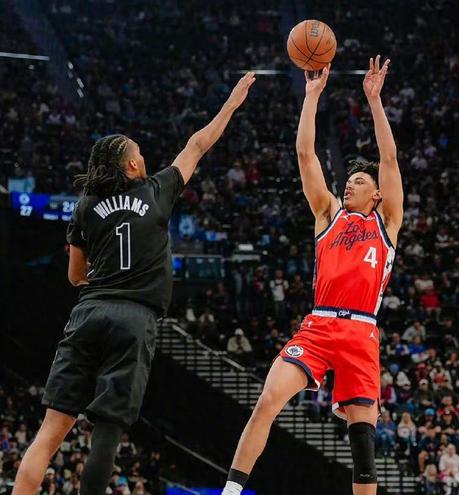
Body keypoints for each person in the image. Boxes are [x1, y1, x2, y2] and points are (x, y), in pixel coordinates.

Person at [11, 73, 255, 495]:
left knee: (50, 430)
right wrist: (231, 104)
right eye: (139, 153)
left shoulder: (86, 206)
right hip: (134, 319)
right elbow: (197, 145)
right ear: (131, 165)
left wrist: (105, 279)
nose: (143, 156)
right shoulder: (156, 190)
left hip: (89, 311)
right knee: (106, 431)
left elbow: (74, 276)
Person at [223, 56, 404, 495]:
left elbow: (389, 157)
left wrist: (374, 102)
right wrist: (311, 97)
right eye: (348, 180)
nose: (349, 184)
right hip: (320, 324)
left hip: (361, 331)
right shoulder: (328, 214)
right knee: (268, 399)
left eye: (359, 182)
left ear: (377, 194)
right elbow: (305, 154)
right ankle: (230, 491)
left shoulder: (388, 222)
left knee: (363, 442)